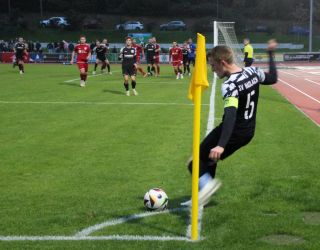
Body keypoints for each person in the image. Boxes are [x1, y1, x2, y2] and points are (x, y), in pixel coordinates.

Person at [181, 39, 278, 207]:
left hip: (234, 130)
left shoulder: (230, 85)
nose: (212, 70)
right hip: (248, 132)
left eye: (213, 65)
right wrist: (270, 53)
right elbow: (273, 78)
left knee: (194, 161)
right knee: (209, 159)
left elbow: (231, 116)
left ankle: (207, 186)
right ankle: (202, 196)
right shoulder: (253, 72)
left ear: (223, 62)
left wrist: (221, 145)